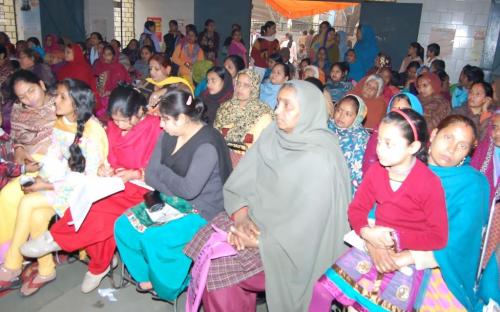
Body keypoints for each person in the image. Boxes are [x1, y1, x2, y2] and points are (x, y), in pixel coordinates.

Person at [185, 80, 351, 312]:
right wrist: (241, 219)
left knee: (220, 268)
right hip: (255, 220)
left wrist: (261, 242)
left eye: (287, 106)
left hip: (290, 248)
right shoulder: (273, 134)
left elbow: (309, 229)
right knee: (204, 239)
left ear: (309, 112)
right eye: (277, 103)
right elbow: (242, 181)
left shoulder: (321, 157)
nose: (276, 111)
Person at [20, 85, 162, 293]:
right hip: (115, 182)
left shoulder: (156, 127)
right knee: (88, 201)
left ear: (140, 112)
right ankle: (96, 263)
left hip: (144, 187)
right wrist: (106, 167)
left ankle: (59, 240)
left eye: (124, 119)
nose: (119, 125)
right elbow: (108, 156)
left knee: (104, 214)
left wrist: (137, 173)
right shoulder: (113, 128)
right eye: (115, 119)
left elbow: (165, 167)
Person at [309, 109, 448, 312]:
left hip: (405, 257)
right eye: (380, 140)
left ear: (414, 147)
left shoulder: (429, 183)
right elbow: (356, 209)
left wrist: (395, 238)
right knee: (321, 290)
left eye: (389, 144)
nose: (379, 149)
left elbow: (438, 237)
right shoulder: (377, 171)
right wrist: (366, 232)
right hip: (372, 244)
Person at [114, 88, 232, 301]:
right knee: (123, 226)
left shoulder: (207, 144)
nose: (160, 124)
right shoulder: (168, 134)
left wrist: (163, 174)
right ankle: (148, 278)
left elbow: (189, 191)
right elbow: (150, 175)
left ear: (183, 119)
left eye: (165, 119)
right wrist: (169, 180)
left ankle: (169, 286)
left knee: (155, 238)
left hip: (203, 209)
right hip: (171, 199)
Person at [0, 79, 108, 296]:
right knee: (37, 217)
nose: (55, 101)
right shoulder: (61, 122)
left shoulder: (93, 131)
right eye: (56, 95)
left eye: (61, 97)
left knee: (28, 201)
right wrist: (40, 176)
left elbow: (87, 179)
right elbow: (53, 157)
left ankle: (11, 265)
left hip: (81, 193)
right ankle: (46, 269)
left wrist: (46, 185)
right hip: (61, 185)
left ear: (76, 103)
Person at [411, 115, 500, 311]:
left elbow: (457, 241)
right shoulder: (407, 166)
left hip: (439, 268)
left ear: (468, 152)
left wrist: (407, 257)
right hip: (392, 249)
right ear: (434, 134)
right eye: (448, 138)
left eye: (462, 146)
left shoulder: (471, 184)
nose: (451, 150)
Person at [214, 69, 273, 166]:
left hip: (248, 165)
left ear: (254, 87)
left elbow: (259, 149)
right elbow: (216, 136)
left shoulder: (263, 114)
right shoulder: (225, 108)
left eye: (246, 85)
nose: (240, 88)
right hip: (220, 158)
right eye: (238, 83)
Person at [362, 92, 424, 174]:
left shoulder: (419, 137)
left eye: (404, 110)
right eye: (394, 109)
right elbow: (369, 161)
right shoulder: (381, 131)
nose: (398, 113)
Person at [471, 110, 499, 270]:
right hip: (480, 219)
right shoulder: (484, 150)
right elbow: (473, 183)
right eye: (494, 127)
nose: (498, 133)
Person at [328, 94, 369, 194]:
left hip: (343, 188)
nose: (341, 116)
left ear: (358, 117)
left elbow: (357, 177)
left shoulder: (359, 140)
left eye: (348, 114)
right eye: (339, 110)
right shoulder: (327, 126)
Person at [93, 45, 132, 119]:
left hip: (115, 96)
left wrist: (110, 92)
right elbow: (94, 81)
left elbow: (123, 86)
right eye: (104, 54)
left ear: (114, 56)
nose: (106, 57)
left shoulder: (119, 67)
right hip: (101, 95)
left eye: (109, 54)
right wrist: (99, 90)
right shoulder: (99, 65)